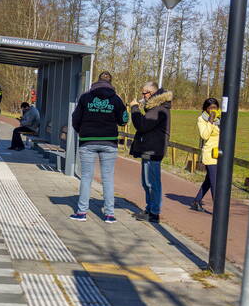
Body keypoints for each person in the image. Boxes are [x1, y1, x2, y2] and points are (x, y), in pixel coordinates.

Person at [69, 72, 128, 223]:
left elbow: (75, 119)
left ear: (97, 81)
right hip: (109, 142)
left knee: (86, 177)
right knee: (108, 178)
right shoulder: (116, 99)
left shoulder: (85, 97)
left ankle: (81, 212)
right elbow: (123, 121)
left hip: (88, 141)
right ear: (111, 82)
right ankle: (109, 214)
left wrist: (82, 131)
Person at [129, 82, 173, 223]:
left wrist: (135, 108)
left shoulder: (159, 109)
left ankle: (154, 212)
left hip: (153, 150)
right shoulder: (155, 108)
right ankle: (150, 209)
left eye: (145, 93)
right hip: (149, 148)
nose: (143, 96)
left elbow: (142, 125)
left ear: (152, 93)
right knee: (146, 181)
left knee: (152, 182)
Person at [191, 97, 221, 212]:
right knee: (215, 182)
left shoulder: (220, 118)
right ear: (206, 109)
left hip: (220, 154)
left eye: (215, 107)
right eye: (210, 108)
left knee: (209, 180)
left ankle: (196, 201)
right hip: (211, 154)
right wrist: (210, 121)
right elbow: (204, 135)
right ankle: (218, 209)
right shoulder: (202, 119)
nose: (213, 110)